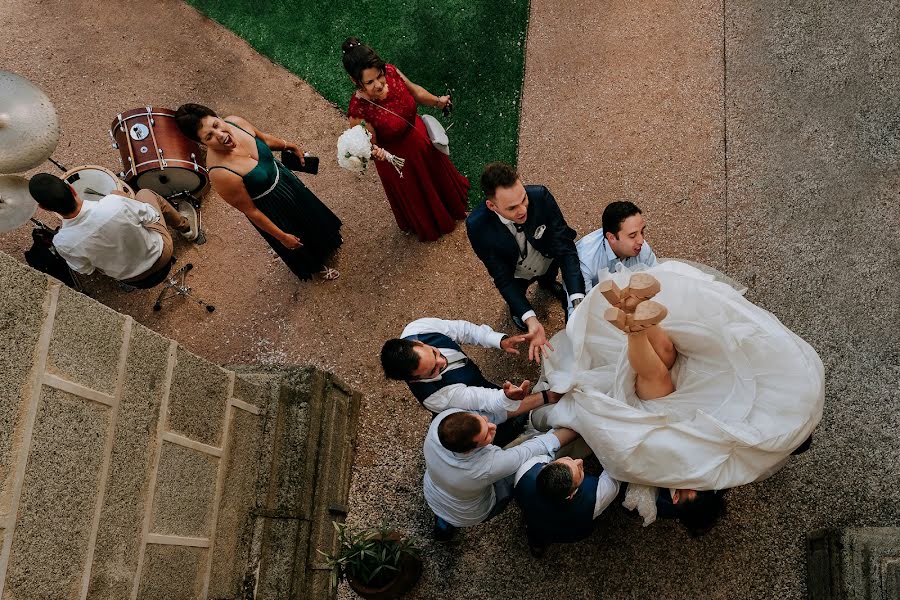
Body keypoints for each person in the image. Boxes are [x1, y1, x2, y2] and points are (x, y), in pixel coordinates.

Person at [542, 262, 824, 492]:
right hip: (671, 396)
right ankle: (635, 328)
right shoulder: (770, 439)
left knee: (668, 356)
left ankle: (634, 310)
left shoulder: (792, 405)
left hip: (694, 378)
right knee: (656, 376)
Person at [174, 104, 342, 281]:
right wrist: (282, 237)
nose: (221, 136)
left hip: (287, 182)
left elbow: (264, 139)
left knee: (311, 214)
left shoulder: (236, 122)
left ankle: (327, 241)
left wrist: (288, 145)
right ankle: (316, 267)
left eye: (216, 125)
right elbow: (251, 211)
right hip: (273, 208)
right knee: (297, 238)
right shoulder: (220, 173)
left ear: (218, 118)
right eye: (209, 137)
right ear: (202, 143)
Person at [342, 37, 469, 242]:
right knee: (420, 194)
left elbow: (415, 91)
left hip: (420, 139)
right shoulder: (358, 111)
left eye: (379, 76)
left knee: (436, 178)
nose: (379, 84)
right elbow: (367, 148)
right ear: (355, 81)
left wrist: (439, 102)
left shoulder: (391, 71)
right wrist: (375, 153)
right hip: (400, 161)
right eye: (370, 82)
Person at [466, 162, 585, 362]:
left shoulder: (540, 196)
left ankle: (547, 284)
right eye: (512, 208)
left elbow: (564, 247)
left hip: (546, 257)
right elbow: (502, 277)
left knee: (548, 277)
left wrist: (578, 300)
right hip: (516, 272)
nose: (522, 210)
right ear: (491, 206)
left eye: (524, 199)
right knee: (516, 297)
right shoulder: (478, 227)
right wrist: (530, 318)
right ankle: (519, 311)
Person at [381, 318, 562, 447]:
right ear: (415, 379)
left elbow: (463, 330)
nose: (442, 362)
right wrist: (508, 397)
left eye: (435, 353)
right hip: (483, 418)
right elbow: (484, 401)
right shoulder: (436, 397)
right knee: (500, 428)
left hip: (479, 388)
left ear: (418, 343)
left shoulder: (418, 328)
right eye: (433, 371)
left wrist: (499, 340)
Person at [423, 408, 577, 541]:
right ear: (469, 450)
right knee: (515, 477)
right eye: (485, 436)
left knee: (450, 505)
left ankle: (444, 524)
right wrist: (577, 426)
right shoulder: (487, 467)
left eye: (483, 420)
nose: (492, 427)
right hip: (473, 512)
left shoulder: (440, 425)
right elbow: (534, 448)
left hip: (433, 491)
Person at [27, 173, 199, 283]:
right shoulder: (114, 203)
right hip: (161, 255)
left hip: (132, 279)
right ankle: (186, 228)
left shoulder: (62, 242)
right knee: (145, 194)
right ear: (72, 189)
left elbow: (86, 270)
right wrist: (126, 201)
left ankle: (127, 285)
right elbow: (151, 216)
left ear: (45, 208)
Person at [513, 453, 620, 557]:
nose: (580, 460)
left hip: (534, 518)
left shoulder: (524, 473)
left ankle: (537, 547)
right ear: (572, 495)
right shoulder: (595, 497)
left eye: (569, 459)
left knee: (536, 534)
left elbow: (544, 453)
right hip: (571, 532)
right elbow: (615, 475)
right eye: (580, 470)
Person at [573, 201, 657, 311]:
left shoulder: (642, 248)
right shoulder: (584, 260)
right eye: (632, 236)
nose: (641, 240)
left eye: (642, 232)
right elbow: (580, 311)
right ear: (612, 238)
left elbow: (656, 279)